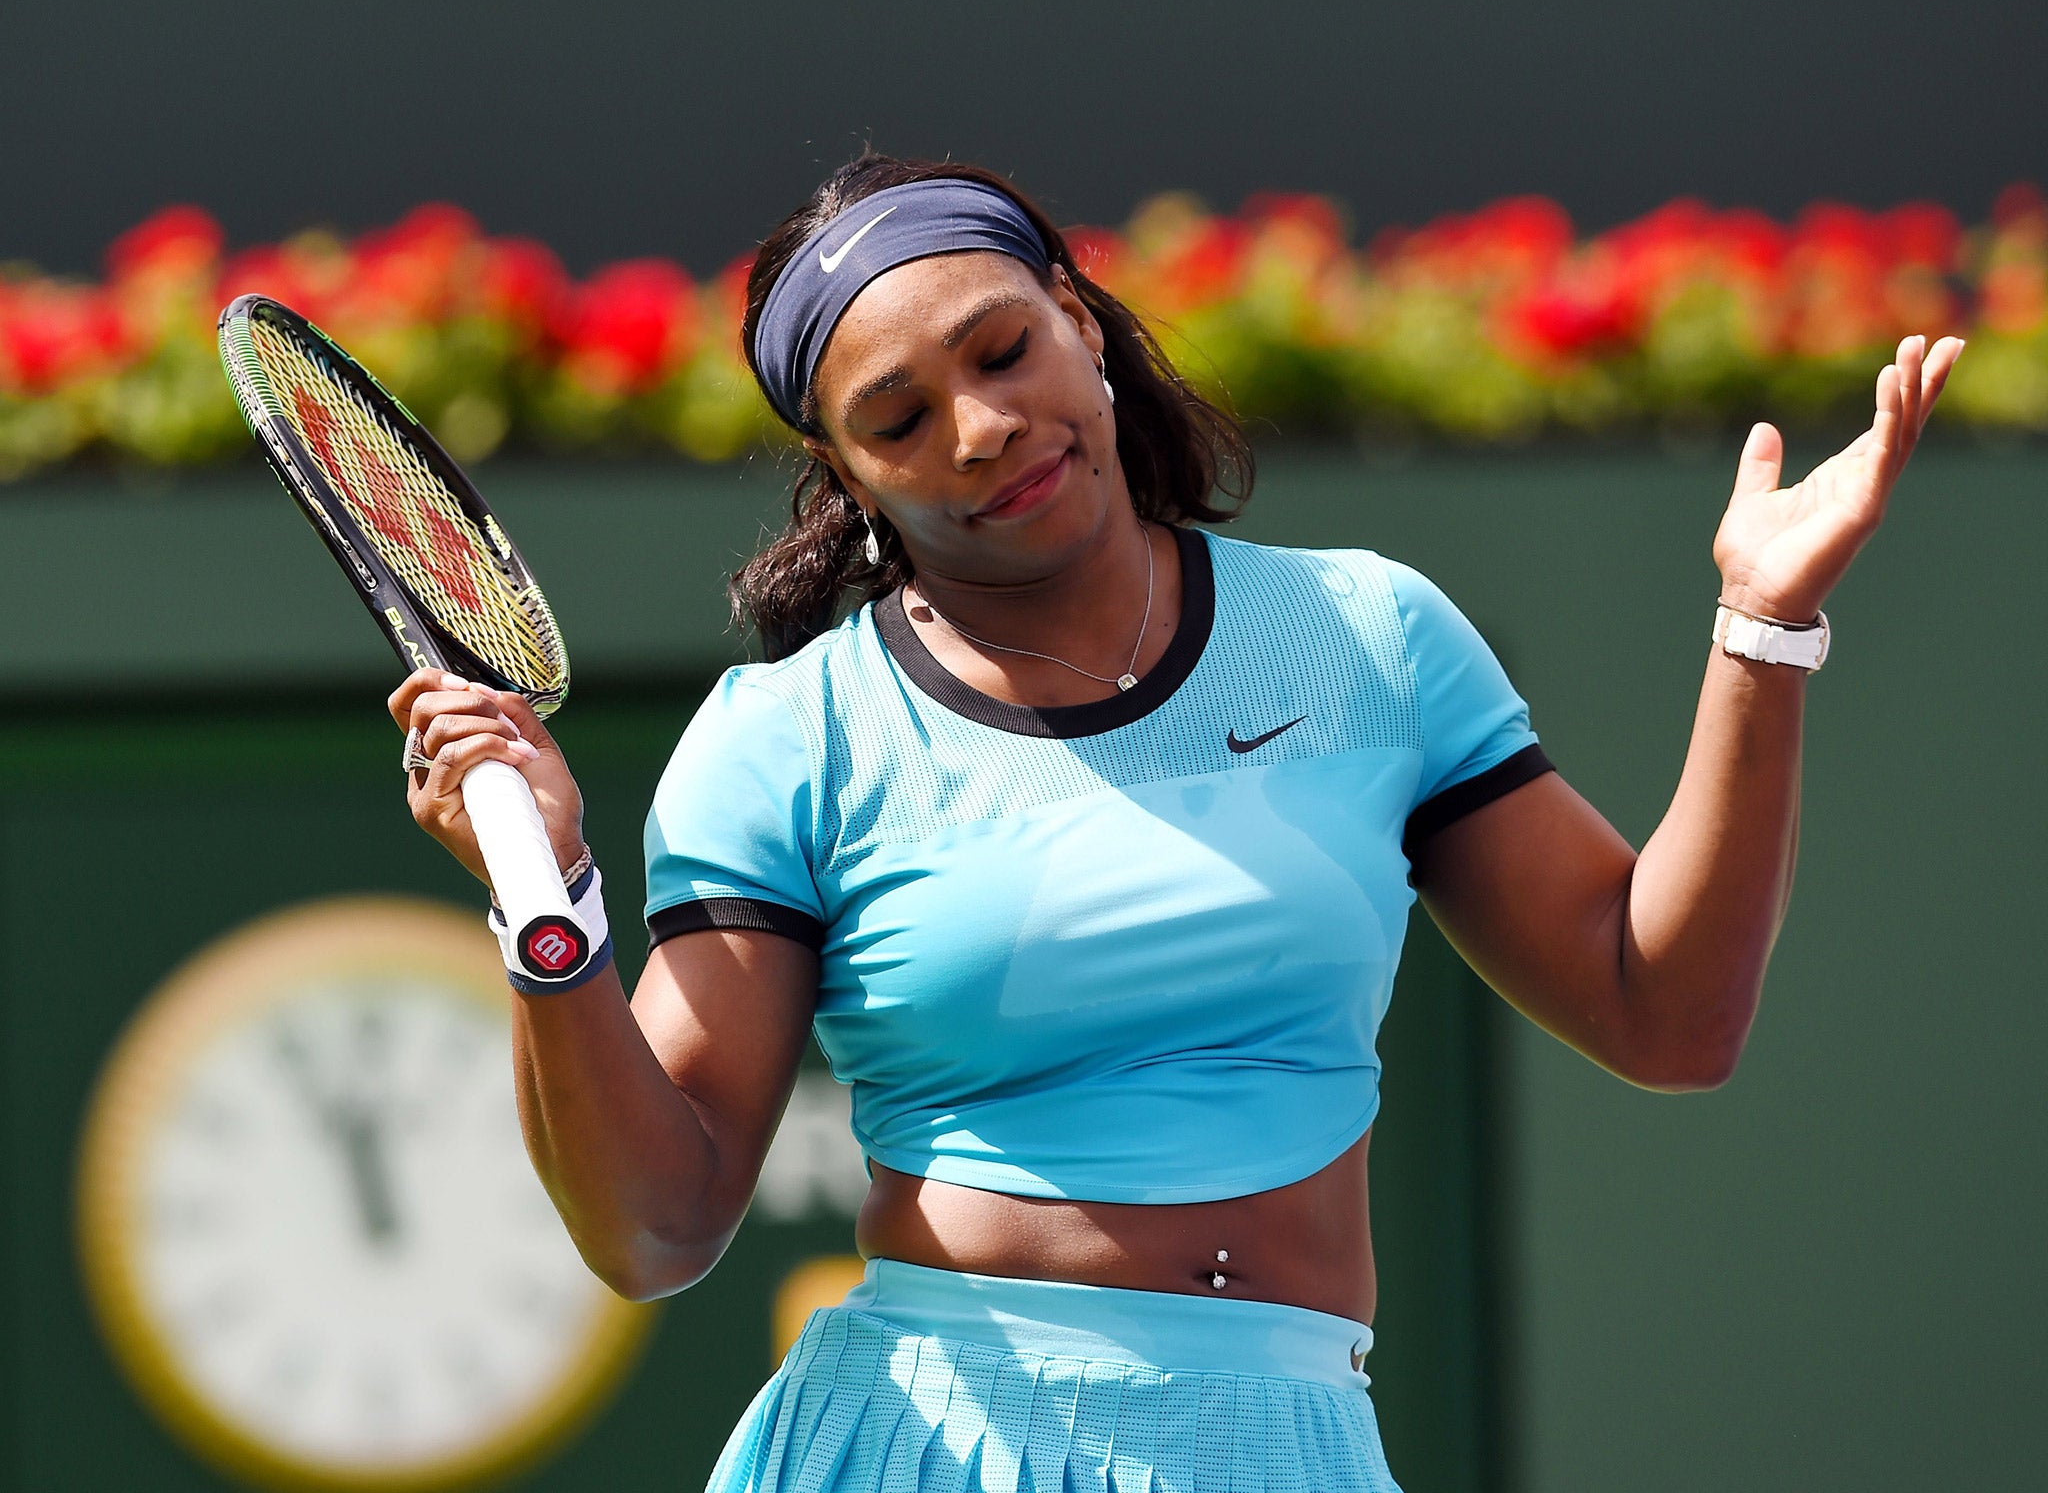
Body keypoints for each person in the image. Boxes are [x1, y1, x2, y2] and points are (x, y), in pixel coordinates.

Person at [389, 155, 1963, 1492]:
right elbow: (656, 1226)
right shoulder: (788, 737)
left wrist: (1760, 630)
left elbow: (1665, 1012)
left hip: (1291, 1438)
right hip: (934, 1444)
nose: (982, 428)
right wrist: (556, 913)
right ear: (846, 473)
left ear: (1080, 320)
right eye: (901, 416)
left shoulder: (1372, 635)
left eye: (1004, 350)